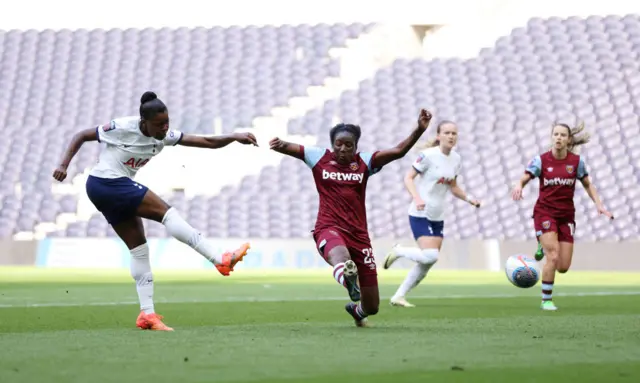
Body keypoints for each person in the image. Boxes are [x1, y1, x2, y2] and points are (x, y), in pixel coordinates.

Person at [52, 91, 258, 331]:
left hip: (108, 189)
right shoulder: (122, 126)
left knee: (139, 250)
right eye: (159, 124)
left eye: (167, 122)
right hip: (106, 183)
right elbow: (82, 135)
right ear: (144, 122)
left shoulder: (165, 136)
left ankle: (147, 314)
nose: (164, 128)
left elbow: (206, 142)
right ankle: (219, 258)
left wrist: (234, 137)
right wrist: (63, 165)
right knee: (167, 213)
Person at [269, 109, 433, 327]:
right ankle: (348, 278)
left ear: (356, 146)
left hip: (359, 236)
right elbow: (293, 148)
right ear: (332, 144)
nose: (343, 149)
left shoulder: (365, 162)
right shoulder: (319, 157)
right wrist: (280, 144)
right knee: (342, 258)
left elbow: (398, 151)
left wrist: (419, 129)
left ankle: (357, 310)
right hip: (328, 227)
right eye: (339, 144)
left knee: (372, 307)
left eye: (349, 145)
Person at [511, 122, 613, 311]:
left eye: (562, 135)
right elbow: (525, 177)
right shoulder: (541, 160)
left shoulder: (576, 162)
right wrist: (519, 185)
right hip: (545, 212)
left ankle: (542, 242)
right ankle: (546, 300)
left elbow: (588, 184)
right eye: (555, 134)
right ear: (552, 137)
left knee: (563, 266)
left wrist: (599, 204)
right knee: (553, 255)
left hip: (566, 216)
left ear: (568, 139)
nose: (558, 138)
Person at [382, 120, 480, 307]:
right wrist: (417, 198)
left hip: (438, 215)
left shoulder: (456, 159)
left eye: (454, 133)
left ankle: (399, 296)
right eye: (447, 133)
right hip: (420, 212)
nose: (451, 136)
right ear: (438, 136)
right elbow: (408, 178)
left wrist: (469, 198)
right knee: (431, 255)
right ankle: (399, 250)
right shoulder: (427, 156)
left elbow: (453, 187)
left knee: (427, 262)